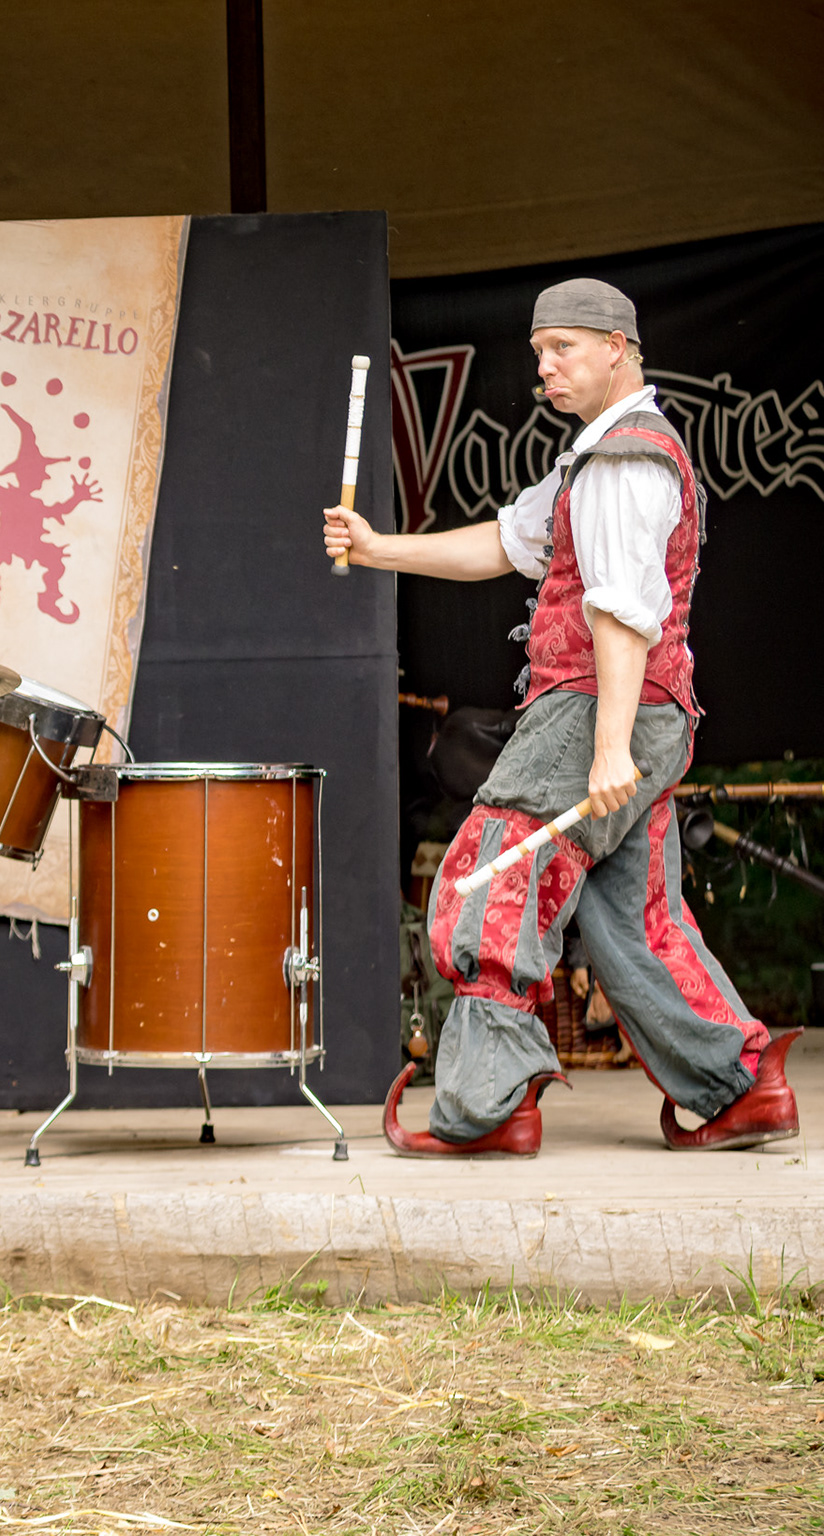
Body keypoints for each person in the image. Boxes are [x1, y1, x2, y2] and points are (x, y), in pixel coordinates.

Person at [324, 278, 800, 1157]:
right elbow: (506, 542)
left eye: (563, 349)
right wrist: (379, 547)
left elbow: (618, 613)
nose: (543, 367)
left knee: (492, 878)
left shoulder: (622, 462)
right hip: (642, 713)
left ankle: (488, 1107)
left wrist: (608, 746)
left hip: (594, 710)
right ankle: (741, 1087)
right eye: (538, 351)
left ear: (617, 347)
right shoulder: (599, 458)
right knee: (633, 921)